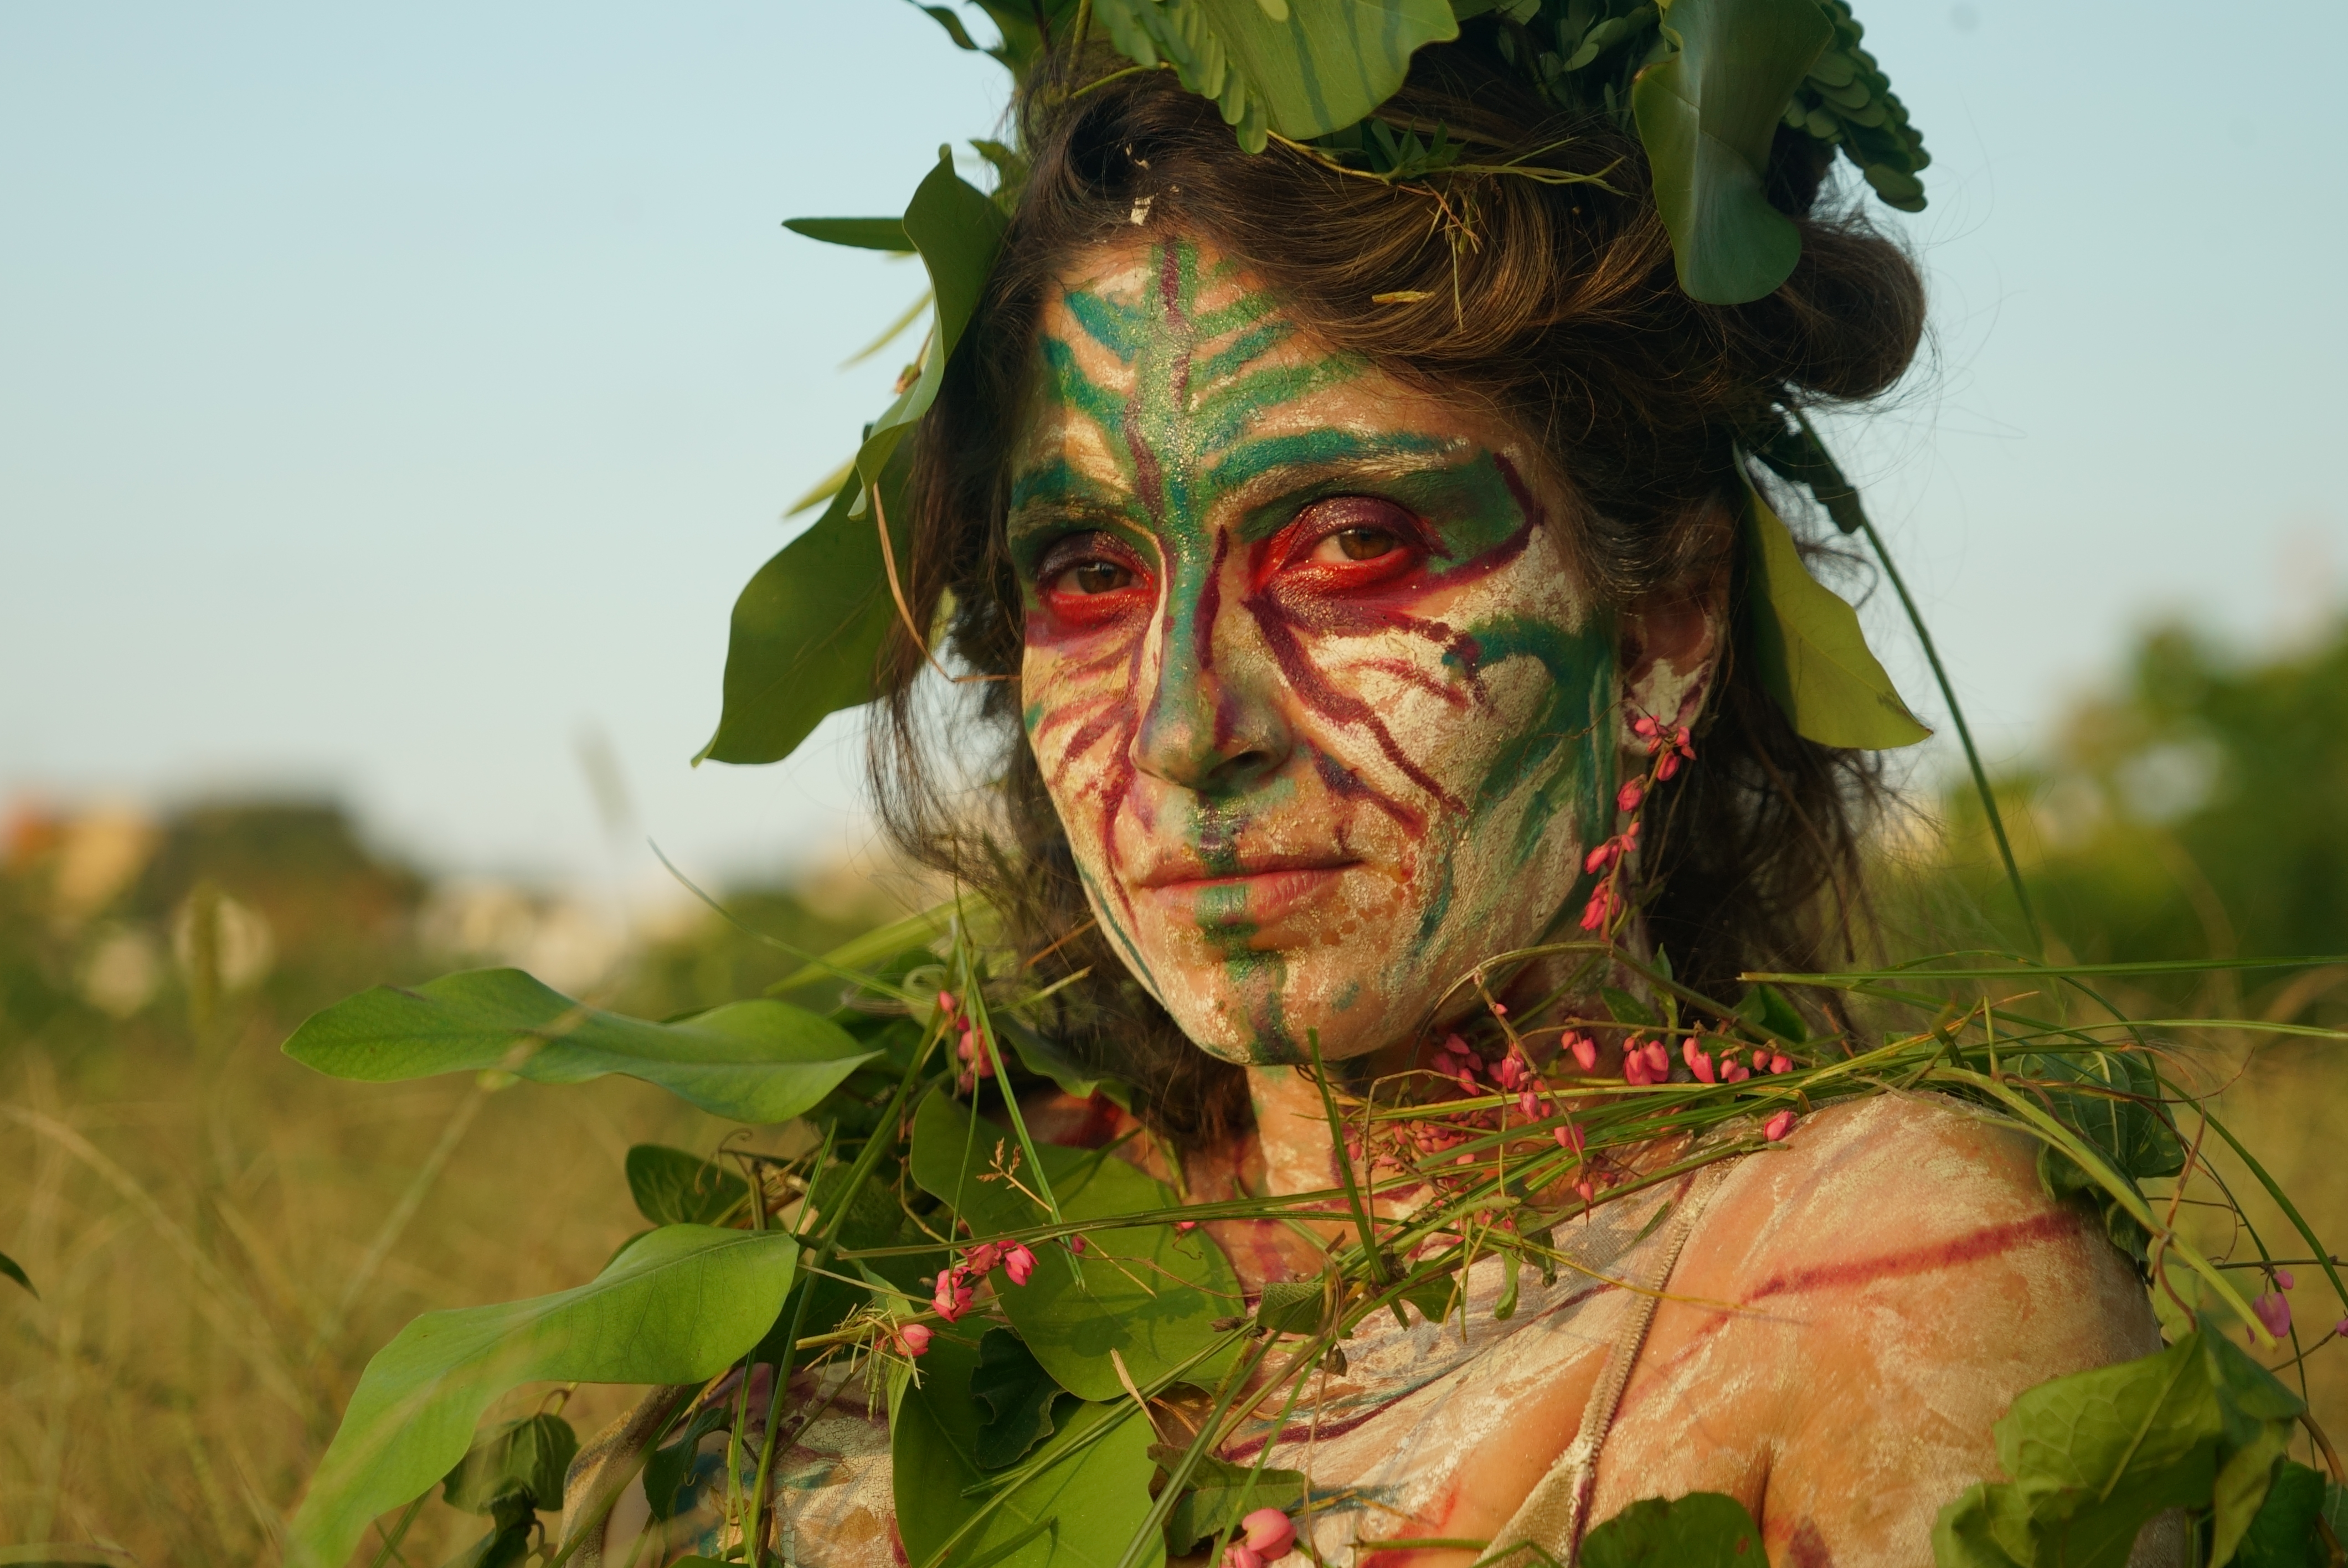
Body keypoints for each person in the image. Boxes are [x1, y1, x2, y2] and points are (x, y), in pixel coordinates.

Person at [565, 33, 2165, 1568]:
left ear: (1669, 621)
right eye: (1093, 573)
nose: (1189, 724)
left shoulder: (1879, 1277)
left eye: (1347, 545)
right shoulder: (893, 1269)